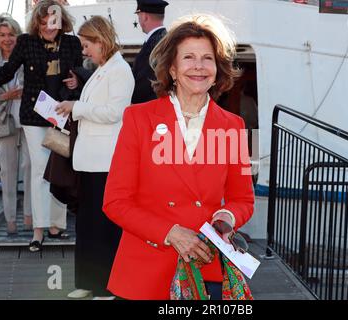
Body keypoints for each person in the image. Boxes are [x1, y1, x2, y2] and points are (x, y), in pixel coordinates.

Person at [102, 14, 255, 300]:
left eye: (207, 58)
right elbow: (115, 201)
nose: (199, 66)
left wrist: (226, 217)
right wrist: (170, 232)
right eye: (189, 57)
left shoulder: (232, 125)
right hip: (146, 269)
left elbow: (243, 200)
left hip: (204, 267)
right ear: (172, 68)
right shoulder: (138, 118)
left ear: (217, 69)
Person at [0, 0, 83, 252]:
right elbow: (8, 70)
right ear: (37, 21)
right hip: (34, 115)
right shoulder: (26, 42)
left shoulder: (72, 43)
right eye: (44, 20)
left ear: (61, 21)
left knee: (60, 168)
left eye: (54, 20)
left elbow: (79, 72)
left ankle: (56, 227)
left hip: (61, 113)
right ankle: (39, 230)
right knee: (40, 170)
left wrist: (76, 80)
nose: (49, 25)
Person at [55, 16, 134, 299]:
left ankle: (106, 287)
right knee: (87, 224)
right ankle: (87, 282)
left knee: (103, 227)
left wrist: (76, 107)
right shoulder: (103, 69)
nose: (84, 51)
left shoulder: (120, 71)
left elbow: (116, 113)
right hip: (89, 160)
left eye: (87, 45)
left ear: (101, 40)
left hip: (104, 161)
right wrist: (74, 108)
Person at [0, 14, 32, 235]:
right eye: (2, 35)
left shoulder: (28, 57)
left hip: (29, 118)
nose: (7, 39)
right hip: (4, 120)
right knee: (7, 171)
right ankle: (11, 220)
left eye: (11, 34)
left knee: (30, 168)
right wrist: (7, 96)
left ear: (17, 36)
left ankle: (31, 216)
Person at [131, 0, 168, 103]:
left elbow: (143, 84)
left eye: (139, 16)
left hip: (149, 107)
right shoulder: (165, 39)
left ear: (144, 17)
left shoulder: (154, 44)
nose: (139, 20)